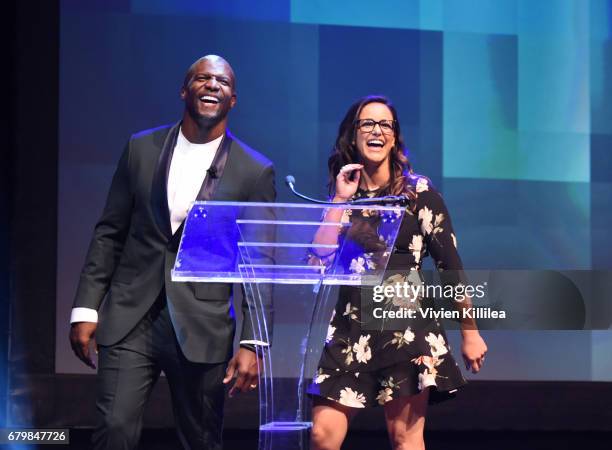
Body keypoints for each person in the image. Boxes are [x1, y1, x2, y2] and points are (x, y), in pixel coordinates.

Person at [68, 55, 275, 450]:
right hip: (131, 316)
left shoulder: (254, 171)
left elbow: (258, 263)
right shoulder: (140, 149)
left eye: (222, 82)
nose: (212, 85)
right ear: (185, 90)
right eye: (202, 78)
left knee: (199, 440)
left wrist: (254, 342)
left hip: (202, 324)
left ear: (233, 100)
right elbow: (110, 233)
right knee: (113, 429)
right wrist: (85, 308)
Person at [307, 95, 487, 450]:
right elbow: (319, 257)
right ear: (353, 135)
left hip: (406, 329)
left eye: (385, 124)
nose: (377, 131)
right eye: (367, 124)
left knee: (405, 438)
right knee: (321, 435)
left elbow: (450, 265)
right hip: (350, 328)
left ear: (394, 137)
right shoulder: (346, 193)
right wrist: (340, 200)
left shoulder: (418, 192)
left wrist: (470, 331)